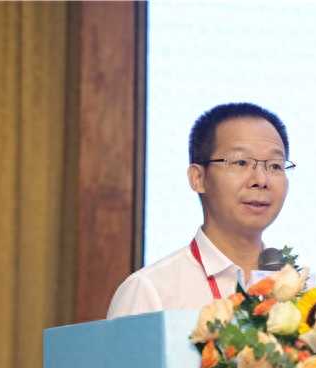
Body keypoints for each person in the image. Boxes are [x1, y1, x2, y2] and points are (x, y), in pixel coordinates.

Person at [107, 102, 294, 319]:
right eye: (241, 162)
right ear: (198, 178)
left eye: (275, 166)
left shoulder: (301, 291)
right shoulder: (150, 291)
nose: (261, 180)